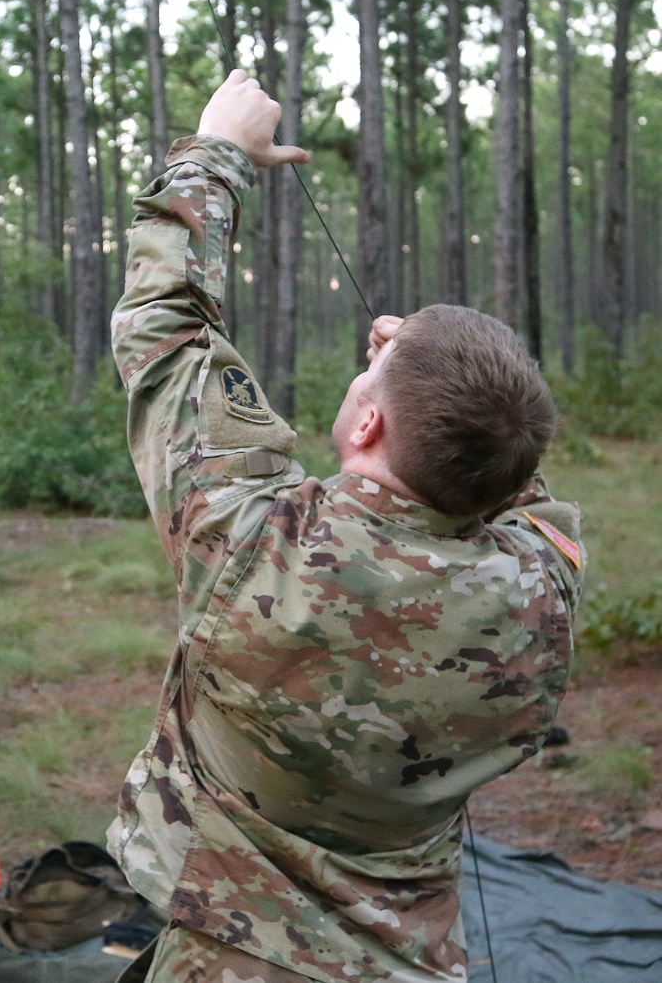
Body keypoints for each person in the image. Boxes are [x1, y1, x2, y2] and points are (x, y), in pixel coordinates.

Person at [109, 71, 584, 983]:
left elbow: (163, 329)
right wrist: (436, 381)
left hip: (228, 954)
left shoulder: (251, 539)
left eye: (370, 385)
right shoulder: (543, 590)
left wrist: (215, 154)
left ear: (365, 424)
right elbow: (517, 478)